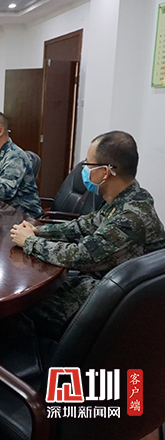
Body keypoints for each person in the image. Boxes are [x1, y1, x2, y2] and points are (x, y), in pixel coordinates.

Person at [10, 131, 165, 337]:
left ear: (105, 171)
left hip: (112, 304)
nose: (84, 170)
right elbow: (84, 226)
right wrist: (39, 231)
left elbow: (82, 256)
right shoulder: (128, 197)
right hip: (109, 284)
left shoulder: (131, 218)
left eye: (88, 164)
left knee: (24, 298)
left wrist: (31, 242)